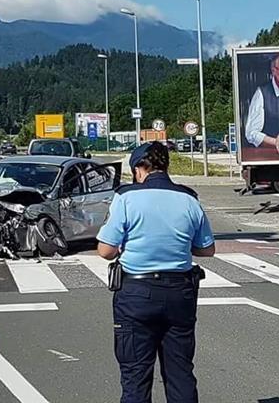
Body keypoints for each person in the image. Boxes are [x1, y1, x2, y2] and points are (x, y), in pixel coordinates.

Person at [97, 141, 215, 403]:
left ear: (141, 168)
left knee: (135, 375)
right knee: (180, 373)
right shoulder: (189, 198)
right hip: (180, 293)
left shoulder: (126, 197)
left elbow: (105, 251)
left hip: (136, 293)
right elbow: (207, 249)